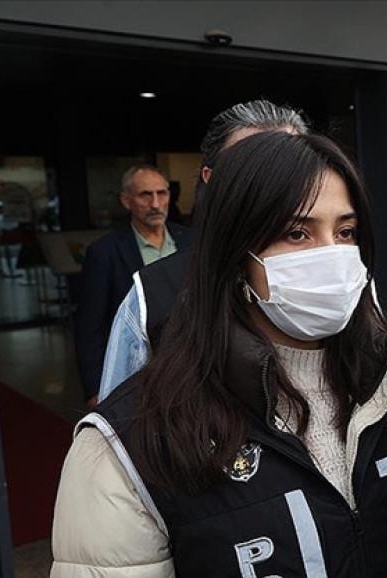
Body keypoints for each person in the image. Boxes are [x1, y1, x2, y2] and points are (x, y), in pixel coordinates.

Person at [40, 132, 387, 578]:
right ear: (235, 252)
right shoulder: (136, 441)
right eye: (297, 233)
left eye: (346, 232)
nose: (331, 255)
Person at [96, 99, 308, 401]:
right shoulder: (153, 295)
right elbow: (119, 419)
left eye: (291, 167)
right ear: (211, 178)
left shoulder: (344, 275)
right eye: (248, 167)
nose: (270, 183)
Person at [75, 164, 190, 406]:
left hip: (191, 369)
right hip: (138, 374)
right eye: (145, 195)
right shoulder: (104, 252)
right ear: (126, 201)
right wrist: (95, 390)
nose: (156, 204)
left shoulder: (192, 241)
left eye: (162, 193)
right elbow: (90, 326)